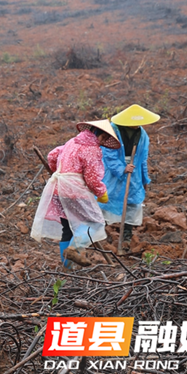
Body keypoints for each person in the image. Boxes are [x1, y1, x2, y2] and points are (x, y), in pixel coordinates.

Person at [30, 119, 121, 268]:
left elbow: (52, 155)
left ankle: (67, 269)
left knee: (67, 228)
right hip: (75, 189)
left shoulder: (72, 142)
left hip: (59, 187)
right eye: (103, 138)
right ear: (98, 134)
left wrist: (58, 170)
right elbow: (92, 179)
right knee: (95, 222)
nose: (102, 141)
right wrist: (101, 193)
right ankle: (74, 248)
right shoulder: (92, 149)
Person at [99, 105, 159, 250]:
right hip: (113, 173)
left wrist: (144, 179)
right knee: (108, 198)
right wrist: (122, 168)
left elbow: (143, 158)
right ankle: (102, 233)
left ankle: (127, 234)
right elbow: (108, 155)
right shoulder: (113, 130)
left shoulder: (142, 134)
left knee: (133, 200)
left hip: (134, 172)